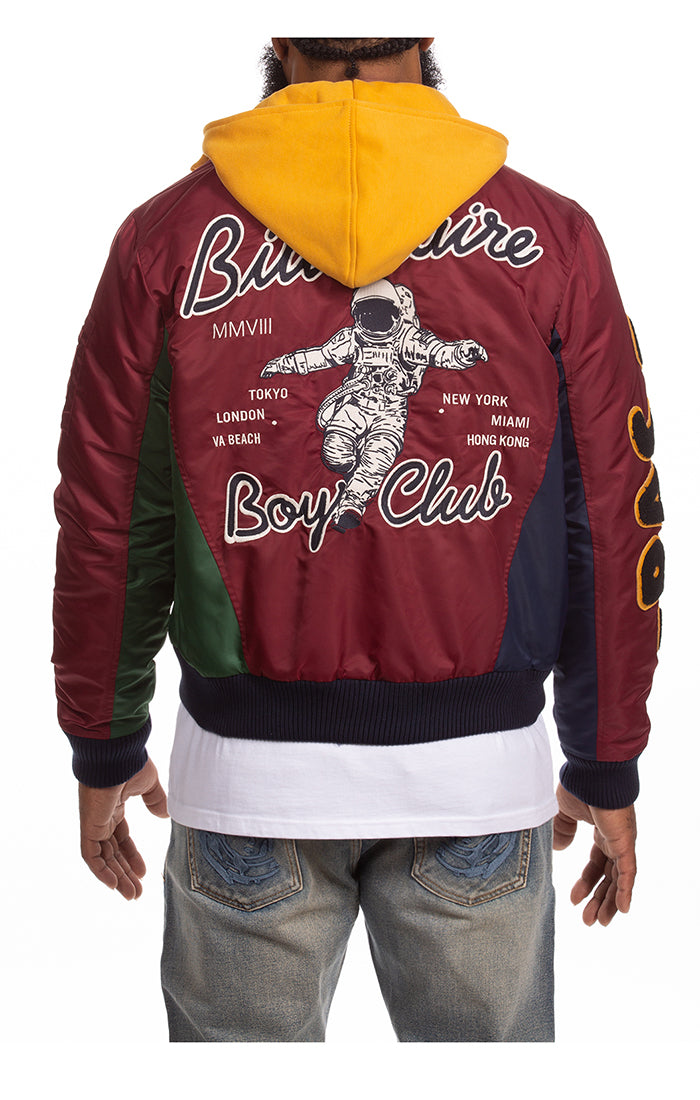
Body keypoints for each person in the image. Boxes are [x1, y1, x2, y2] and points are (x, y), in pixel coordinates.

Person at [53, 37, 664, 1043]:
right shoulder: (553, 240)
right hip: (476, 782)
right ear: (421, 37)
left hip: (247, 782)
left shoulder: (164, 242)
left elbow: (111, 514)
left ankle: (349, 484)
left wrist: (105, 736)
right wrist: (603, 757)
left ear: (280, 38)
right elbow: (610, 512)